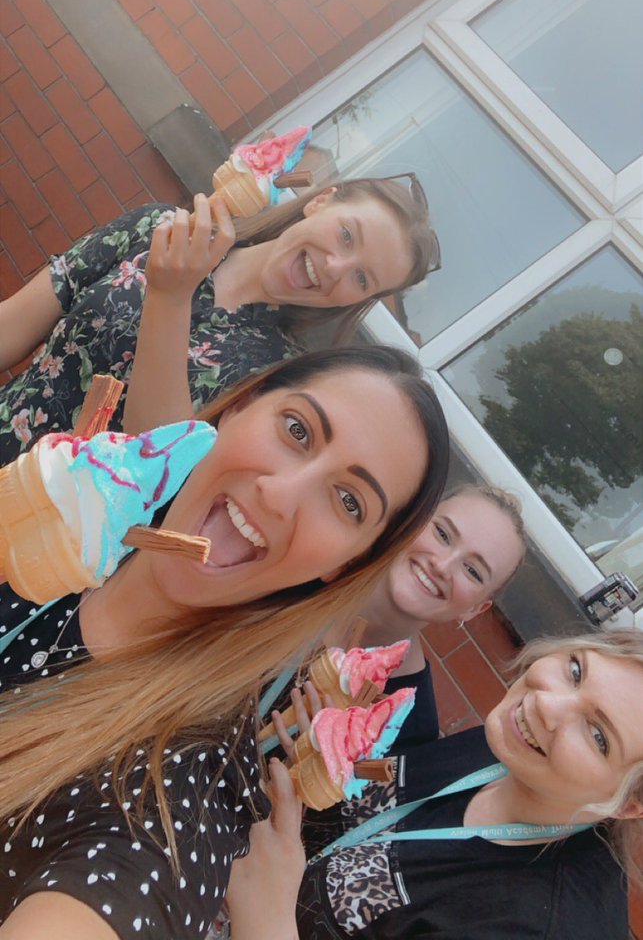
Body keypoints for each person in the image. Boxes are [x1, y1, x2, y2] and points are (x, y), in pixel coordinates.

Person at [0, 345, 449, 939]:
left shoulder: (185, 794)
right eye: (297, 430)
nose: (280, 495)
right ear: (237, 409)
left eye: (348, 502)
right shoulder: (55, 514)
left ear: (348, 564)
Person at [228, 629, 643, 940]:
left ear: (630, 805)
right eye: (575, 670)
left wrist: (267, 918)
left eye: (598, 735)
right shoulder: (508, 751)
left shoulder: (545, 925)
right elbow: (372, 815)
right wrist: (319, 753)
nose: (547, 704)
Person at [0, 175, 439, 461]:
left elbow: (149, 458)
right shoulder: (162, 230)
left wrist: (171, 298)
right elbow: (15, 325)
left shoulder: (282, 378)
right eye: (347, 235)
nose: (336, 267)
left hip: (37, 548)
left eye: (362, 278)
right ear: (320, 201)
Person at [269, 485, 527, 750]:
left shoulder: (406, 725)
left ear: (474, 609)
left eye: (472, 571)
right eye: (442, 533)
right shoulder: (297, 569)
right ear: (415, 519)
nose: (441, 565)